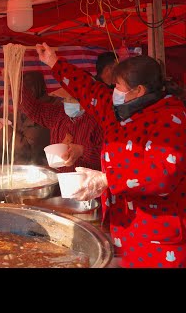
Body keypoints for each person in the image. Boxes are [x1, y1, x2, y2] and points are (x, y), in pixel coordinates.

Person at [36, 42, 186, 268]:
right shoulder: (119, 108)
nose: (113, 91)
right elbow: (87, 88)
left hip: (156, 232)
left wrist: (107, 179)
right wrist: (54, 62)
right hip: (121, 225)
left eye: (118, 86)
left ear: (139, 91)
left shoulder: (169, 118)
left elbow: (162, 173)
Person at [19, 76, 103, 172]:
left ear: (85, 100)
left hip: (88, 182)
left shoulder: (98, 121)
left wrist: (82, 151)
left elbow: (108, 156)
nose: (66, 103)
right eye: (65, 99)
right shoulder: (59, 114)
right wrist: (17, 84)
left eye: (70, 99)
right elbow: (34, 110)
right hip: (61, 180)